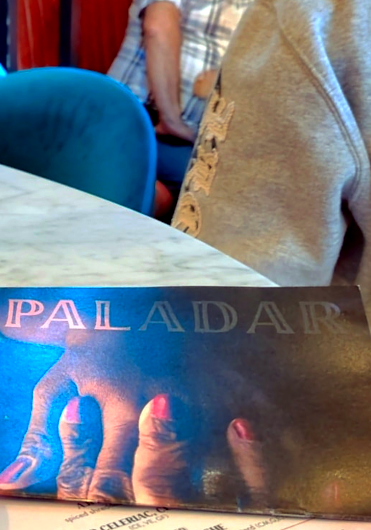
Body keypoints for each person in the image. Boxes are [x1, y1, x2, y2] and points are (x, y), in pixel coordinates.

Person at [171, 0, 371, 315]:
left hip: (310, 348)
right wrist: (173, 122)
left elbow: (225, 309)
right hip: (168, 125)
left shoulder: (310, 19)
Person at [107, 0, 253, 216]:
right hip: (139, 121)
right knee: (229, 190)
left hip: (201, 138)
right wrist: (172, 121)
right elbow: (158, 26)